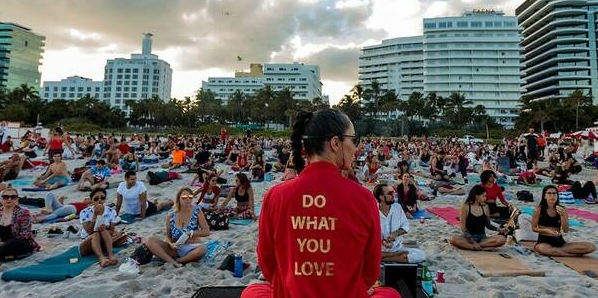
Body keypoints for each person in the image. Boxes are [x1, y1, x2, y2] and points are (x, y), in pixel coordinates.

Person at [241, 109, 399, 298]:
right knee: (390, 294)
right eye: (353, 140)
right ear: (335, 143)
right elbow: (370, 272)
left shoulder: (276, 195)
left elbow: (267, 266)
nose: (356, 148)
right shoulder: (363, 198)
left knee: (252, 291)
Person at [144, 187, 211, 267]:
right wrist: (170, 244)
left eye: (190, 197)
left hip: (192, 248)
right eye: (184, 197)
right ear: (178, 198)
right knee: (150, 241)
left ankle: (178, 261)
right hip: (176, 249)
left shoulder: (196, 211)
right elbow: (168, 236)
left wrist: (192, 232)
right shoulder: (171, 215)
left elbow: (206, 231)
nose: (187, 199)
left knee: (202, 249)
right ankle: (172, 261)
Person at [532, 185, 596, 257]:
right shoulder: (539, 209)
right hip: (544, 241)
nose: (552, 195)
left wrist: (562, 216)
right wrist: (546, 231)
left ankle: (559, 252)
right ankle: (572, 255)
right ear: (544, 196)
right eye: (549, 193)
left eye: (554, 193)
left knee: (591, 247)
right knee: (546, 249)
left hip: (559, 241)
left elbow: (565, 230)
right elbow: (534, 228)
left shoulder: (562, 209)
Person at [373, 184, 426, 263]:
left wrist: (395, 233)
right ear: (381, 197)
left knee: (421, 255)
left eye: (393, 192)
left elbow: (406, 226)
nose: (393, 195)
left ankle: (387, 257)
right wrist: (382, 241)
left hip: (397, 248)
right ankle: (396, 256)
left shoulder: (397, 207)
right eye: (390, 193)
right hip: (379, 249)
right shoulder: (372, 211)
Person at [449, 185, 508, 251]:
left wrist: (499, 230)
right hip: (468, 238)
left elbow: (488, 225)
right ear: (476, 196)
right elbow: (463, 227)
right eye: (483, 196)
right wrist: (473, 242)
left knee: (502, 239)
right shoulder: (465, 206)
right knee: (455, 239)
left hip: (482, 238)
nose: (485, 198)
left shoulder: (486, 207)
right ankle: (478, 247)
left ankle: (476, 247)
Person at [79, 188, 124, 267]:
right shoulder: (85, 212)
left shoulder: (111, 211)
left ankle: (110, 255)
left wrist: (104, 229)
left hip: (103, 242)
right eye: (96, 199)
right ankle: (101, 258)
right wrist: (95, 215)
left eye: (102, 198)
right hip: (87, 245)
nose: (99, 200)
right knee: (96, 233)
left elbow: (111, 231)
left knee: (103, 230)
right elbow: (89, 232)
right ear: (91, 201)